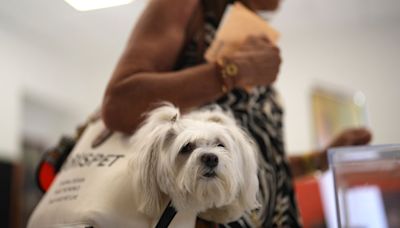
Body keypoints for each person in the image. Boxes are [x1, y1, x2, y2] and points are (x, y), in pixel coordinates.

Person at [101, 0, 372, 227]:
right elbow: (118, 103)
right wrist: (231, 72)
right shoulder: (184, 5)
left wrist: (317, 161)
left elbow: (258, 167)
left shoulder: (247, 28)